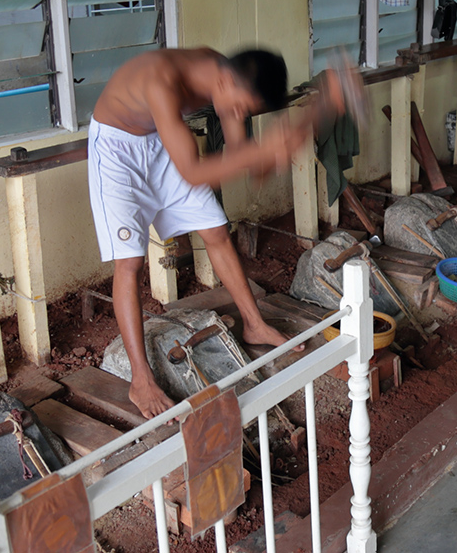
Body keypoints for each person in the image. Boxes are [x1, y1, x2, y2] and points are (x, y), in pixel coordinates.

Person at [88, 47, 315, 419]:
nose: (239, 114)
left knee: (216, 229)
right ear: (226, 82)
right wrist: (261, 154)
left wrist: (260, 157)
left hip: (161, 141)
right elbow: (194, 172)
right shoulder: (161, 80)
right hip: (116, 152)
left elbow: (239, 148)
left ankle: (255, 324)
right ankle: (141, 380)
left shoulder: (222, 75)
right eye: (241, 107)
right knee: (129, 263)